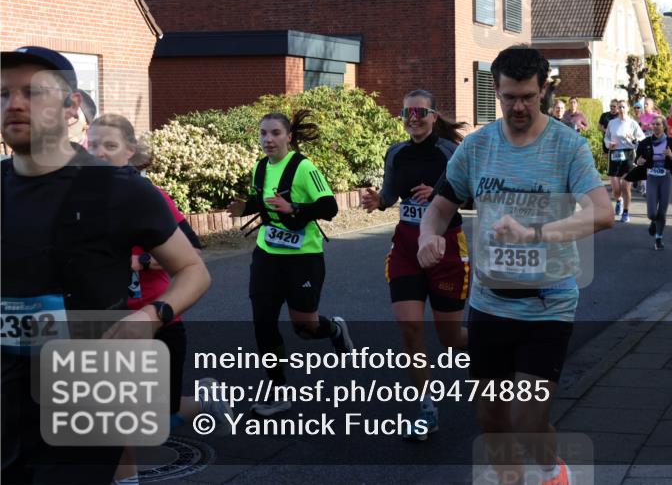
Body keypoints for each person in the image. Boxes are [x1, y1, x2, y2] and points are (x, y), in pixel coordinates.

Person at [1, 46, 211, 485]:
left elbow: (193, 270)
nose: (14, 103)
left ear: (71, 106)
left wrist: (152, 315)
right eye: (3, 94)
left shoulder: (118, 188)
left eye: (33, 92)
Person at [417, 45, 612, 485]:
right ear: (496, 91)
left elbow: (602, 213)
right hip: (489, 304)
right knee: (491, 420)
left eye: (528, 97)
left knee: (527, 422)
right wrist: (429, 234)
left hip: (548, 304)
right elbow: (441, 206)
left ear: (543, 90)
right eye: (509, 97)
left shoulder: (568, 146)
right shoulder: (477, 146)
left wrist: (535, 233)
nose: (518, 107)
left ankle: (552, 470)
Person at [86, 115, 233, 485]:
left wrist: (138, 262)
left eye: (110, 146)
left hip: (156, 322)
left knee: (153, 415)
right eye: (93, 145)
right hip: (104, 325)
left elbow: (194, 254)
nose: (99, 153)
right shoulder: (78, 199)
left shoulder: (149, 197)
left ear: (130, 152)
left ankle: (204, 401)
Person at [361, 90, 470, 440]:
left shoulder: (451, 152)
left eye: (421, 112)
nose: (413, 118)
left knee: (450, 338)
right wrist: (378, 200)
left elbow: (471, 195)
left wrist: (438, 196)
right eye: (407, 112)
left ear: (434, 116)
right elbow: (390, 194)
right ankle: (427, 409)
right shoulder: (396, 152)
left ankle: (497, 347)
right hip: (407, 247)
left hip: (445, 247)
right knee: (410, 328)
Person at [226, 110, 349, 416]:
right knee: (263, 323)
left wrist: (294, 207)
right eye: (263, 133)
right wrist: (246, 207)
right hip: (267, 255)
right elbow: (264, 202)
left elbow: (329, 207)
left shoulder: (303, 167)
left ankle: (334, 329)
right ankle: (278, 390)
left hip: (303, 259)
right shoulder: (259, 168)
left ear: (288, 137)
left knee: (305, 328)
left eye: (275, 133)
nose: (268, 139)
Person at [628, 115, 672, 250]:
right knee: (651, 213)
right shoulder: (645, 142)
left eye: (658, 124)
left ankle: (658, 239)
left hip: (666, 178)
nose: (655, 126)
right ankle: (654, 221)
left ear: (664, 126)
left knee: (662, 210)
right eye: (653, 124)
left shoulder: (671, 142)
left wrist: (671, 156)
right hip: (652, 178)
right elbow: (637, 158)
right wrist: (638, 161)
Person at [605, 99, 645, 222]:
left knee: (625, 187)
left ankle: (626, 212)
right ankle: (619, 200)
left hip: (629, 154)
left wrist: (633, 139)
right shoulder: (612, 123)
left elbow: (642, 139)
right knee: (616, 189)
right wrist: (609, 144)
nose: (621, 109)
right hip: (614, 154)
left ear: (628, 109)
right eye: (619, 107)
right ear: (617, 109)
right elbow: (606, 138)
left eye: (623, 107)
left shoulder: (633, 123)